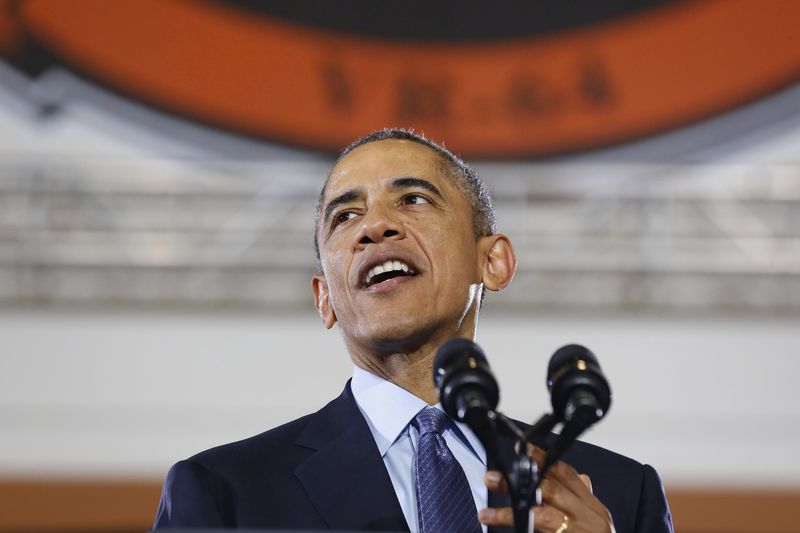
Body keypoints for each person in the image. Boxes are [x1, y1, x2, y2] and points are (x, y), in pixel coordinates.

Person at [153, 129, 674, 532]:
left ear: (493, 262)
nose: (374, 226)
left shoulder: (620, 494)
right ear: (325, 298)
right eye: (345, 216)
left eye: (413, 200)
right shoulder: (227, 493)